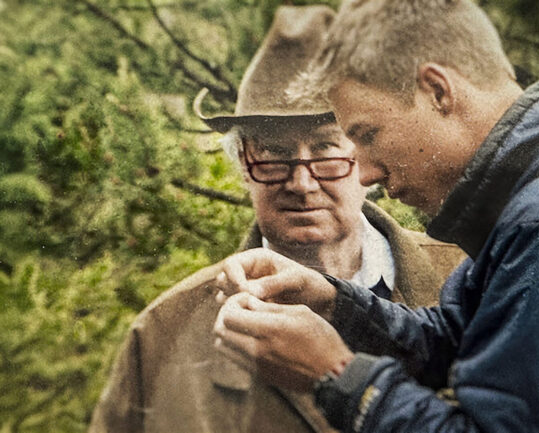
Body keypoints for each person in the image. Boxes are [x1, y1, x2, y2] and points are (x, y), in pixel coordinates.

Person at [212, 1, 539, 432]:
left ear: (438, 91)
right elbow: (465, 334)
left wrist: (336, 375)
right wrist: (335, 303)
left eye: (368, 135)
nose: (365, 173)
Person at [87, 5, 466, 433]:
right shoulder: (163, 334)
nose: (301, 183)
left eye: (325, 149)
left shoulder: (470, 280)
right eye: (273, 153)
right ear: (242, 165)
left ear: (368, 157)